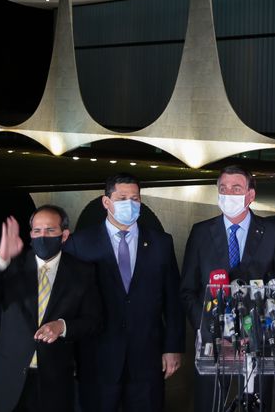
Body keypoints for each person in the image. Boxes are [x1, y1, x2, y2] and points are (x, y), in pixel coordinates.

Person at [63, 174, 184, 412]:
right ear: (106, 202)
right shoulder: (80, 244)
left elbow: (173, 299)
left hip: (147, 358)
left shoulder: (161, 243)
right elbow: (69, 303)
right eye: (122, 198)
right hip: (97, 357)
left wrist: (172, 347)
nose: (130, 204)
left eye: (135, 198)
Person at [180, 165, 275, 412]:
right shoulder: (200, 233)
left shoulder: (274, 234)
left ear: (251, 195)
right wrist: (209, 329)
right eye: (223, 188)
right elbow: (188, 289)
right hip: (212, 347)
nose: (228, 194)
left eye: (236, 188)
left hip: (258, 346)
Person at [0, 205, 102, 412]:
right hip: (7, 379)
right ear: (30, 235)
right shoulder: (11, 266)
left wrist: (62, 327)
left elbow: (94, 321)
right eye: (37, 231)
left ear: (64, 235)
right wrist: (1, 259)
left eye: (49, 230)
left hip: (54, 382)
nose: (42, 236)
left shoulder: (82, 272)